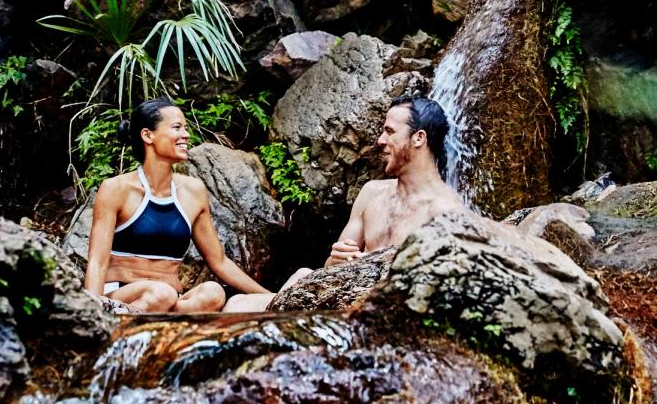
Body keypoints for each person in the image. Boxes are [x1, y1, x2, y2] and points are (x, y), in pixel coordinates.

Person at [223, 95, 462, 312]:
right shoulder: (372, 193)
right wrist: (336, 259)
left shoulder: (447, 213)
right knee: (237, 304)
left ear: (419, 138)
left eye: (390, 132)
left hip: (380, 316)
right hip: (336, 302)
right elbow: (330, 269)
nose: (380, 140)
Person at [84, 97, 272, 312]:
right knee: (161, 294)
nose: (186, 135)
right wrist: (90, 311)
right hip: (121, 294)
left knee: (213, 292)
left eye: (185, 128)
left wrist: (270, 298)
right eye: (177, 127)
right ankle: (132, 316)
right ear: (148, 135)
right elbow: (97, 262)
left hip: (172, 300)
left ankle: (162, 317)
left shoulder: (193, 191)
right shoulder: (116, 189)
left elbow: (219, 261)